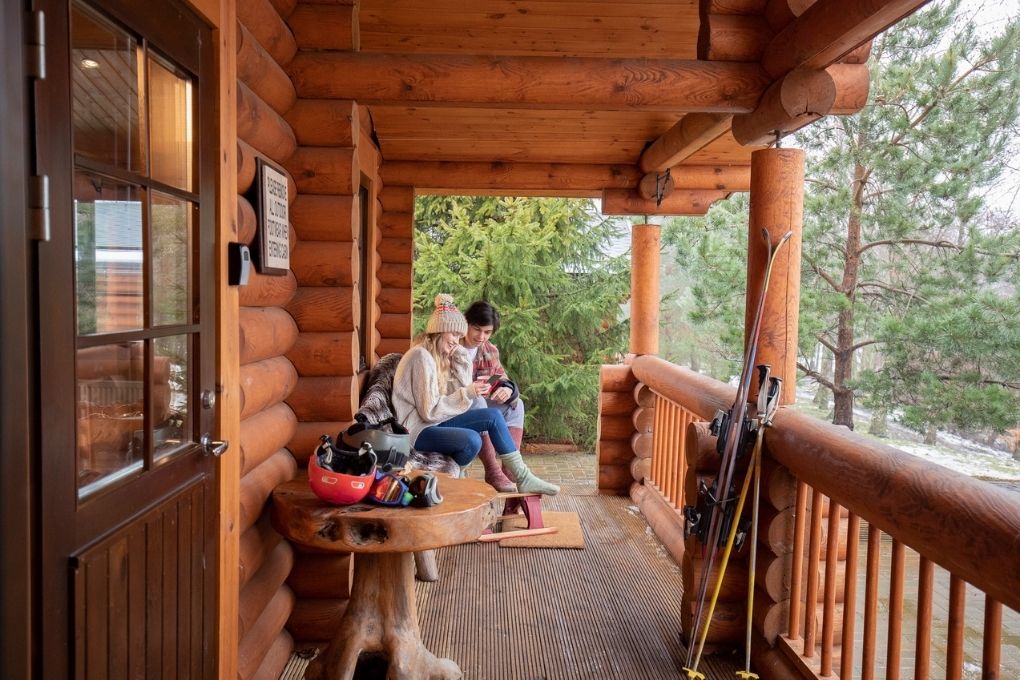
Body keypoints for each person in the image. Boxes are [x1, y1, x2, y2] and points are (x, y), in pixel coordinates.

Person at [392, 294, 558, 495]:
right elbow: (429, 411)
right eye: (453, 334)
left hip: (435, 421)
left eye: (458, 335)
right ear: (439, 330)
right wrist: (469, 391)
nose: (457, 340)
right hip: (416, 429)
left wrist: (462, 358)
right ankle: (466, 483)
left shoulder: (444, 355)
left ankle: (522, 477)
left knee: (495, 415)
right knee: (472, 439)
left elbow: (492, 378)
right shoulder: (421, 357)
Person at [461, 301, 524, 492]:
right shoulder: (452, 346)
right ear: (466, 324)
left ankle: (510, 471)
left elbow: (500, 377)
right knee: (479, 401)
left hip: (480, 403)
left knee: (516, 405)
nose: (481, 336)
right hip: (455, 407)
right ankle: (492, 470)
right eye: (476, 329)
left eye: (487, 332)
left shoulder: (490, 350)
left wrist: (507, 389)